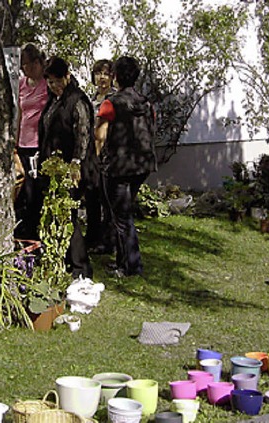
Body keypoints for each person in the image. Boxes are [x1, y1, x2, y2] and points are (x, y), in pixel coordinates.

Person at [95, 56, 157, 277]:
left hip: (119, 167)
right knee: (124, 212)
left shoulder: (111, 103)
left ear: (116, 76)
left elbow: (100, 135)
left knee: (121, 217)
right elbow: (151, 128)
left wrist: (97, 157)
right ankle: (122, 260)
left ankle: (130, 266)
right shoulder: (146, 103)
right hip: (142, 165)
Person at [38, 56, 96, 278]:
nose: (53, 86)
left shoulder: (77, 100)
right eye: (50, 82)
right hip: (54, 167)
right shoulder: (54, 100)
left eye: (57, 81)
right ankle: (66, 260)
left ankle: (81, 266)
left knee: (69, 216)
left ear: (67, 77)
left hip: (72, 168)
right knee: (59, 215)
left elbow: (83, 134)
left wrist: (76, 164)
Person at [14, 43, 48, 241]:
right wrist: (15, 140)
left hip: (39, 143)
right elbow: (20, 112)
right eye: (23, 65)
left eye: (28, 64)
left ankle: (34, 230)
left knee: (34, 190)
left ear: (37, 63)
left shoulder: (46, 83)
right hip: (23, 143)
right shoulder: (22, 84)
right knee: (22, 188)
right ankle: (22, 228)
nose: (25, 69)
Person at [85, 59, 116, 254]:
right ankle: (93, 237)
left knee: (108, 200)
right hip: (91, 153)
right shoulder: (91, 99)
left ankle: (109, 240)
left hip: (109, 155)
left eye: (105, 73)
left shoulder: (115, 98)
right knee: (91, 197)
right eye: (98, 73)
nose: (102, 78)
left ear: (112, 76)